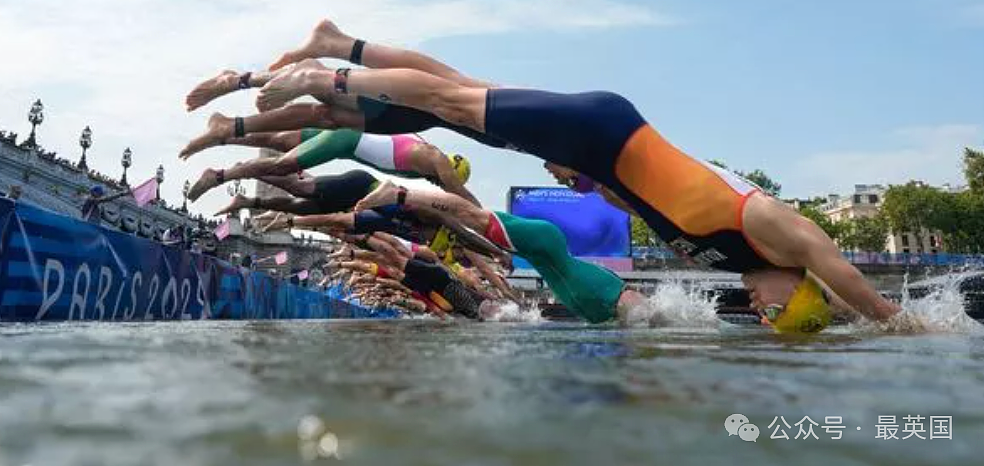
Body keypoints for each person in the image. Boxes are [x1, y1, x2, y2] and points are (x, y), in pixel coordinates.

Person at [252, 18, 901, 331]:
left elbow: (649, 202)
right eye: (778, 312)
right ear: (797, 288)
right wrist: (896, 322)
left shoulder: (731, 261)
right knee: (449, 102)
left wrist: (587, 182)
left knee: (457, 93)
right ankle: (327, 75)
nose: (763, 312)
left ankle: (341, 45)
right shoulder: (766, 228)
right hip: (604, 131)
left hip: (595, 156)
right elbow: (831, 259)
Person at [355, 180, 646, 323]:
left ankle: (401, 195)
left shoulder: (604, 301)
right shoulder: (613, 295)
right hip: (546, 245)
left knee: (473, 215)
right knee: (472, 215)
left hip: (548, 253)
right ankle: (399, 194)